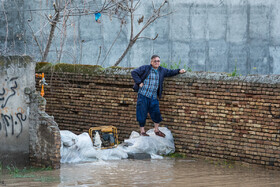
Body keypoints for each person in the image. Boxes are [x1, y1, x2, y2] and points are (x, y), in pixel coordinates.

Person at [131, 55, 186, 137]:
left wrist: (179, 71)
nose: (157, 62)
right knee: (141, 113)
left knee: (156, 113)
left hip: (153, 96)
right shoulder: (146, 68)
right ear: (151, 62)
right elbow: (133, 72)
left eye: (158, 61)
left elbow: (170, 72)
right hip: (143, 95)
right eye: (155, 61)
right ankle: (142, 132)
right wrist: (139, 82)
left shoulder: (161, 70)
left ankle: (156, 130)